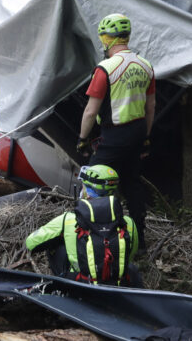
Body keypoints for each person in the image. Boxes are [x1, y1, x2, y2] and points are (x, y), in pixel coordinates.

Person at [77, 14, 155, 250]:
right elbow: (150, 106)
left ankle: (86, 235)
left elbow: (91, 111)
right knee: (132, 182)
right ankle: (139, 239)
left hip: (114, 135)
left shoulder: (105, 69)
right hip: (138, 132)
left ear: (107, 39)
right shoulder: (145, 65)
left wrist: (82, 139)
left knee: (91, 180)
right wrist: (146, 138)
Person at [25, 164, 142, 287]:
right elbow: (130, 255)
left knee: (57, 246)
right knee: (132, 268)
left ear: (87, 189)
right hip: (117, 283)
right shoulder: (128, 223)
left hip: (81, 283)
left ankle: (62, 287)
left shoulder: (68, 220)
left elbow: (31, 243)